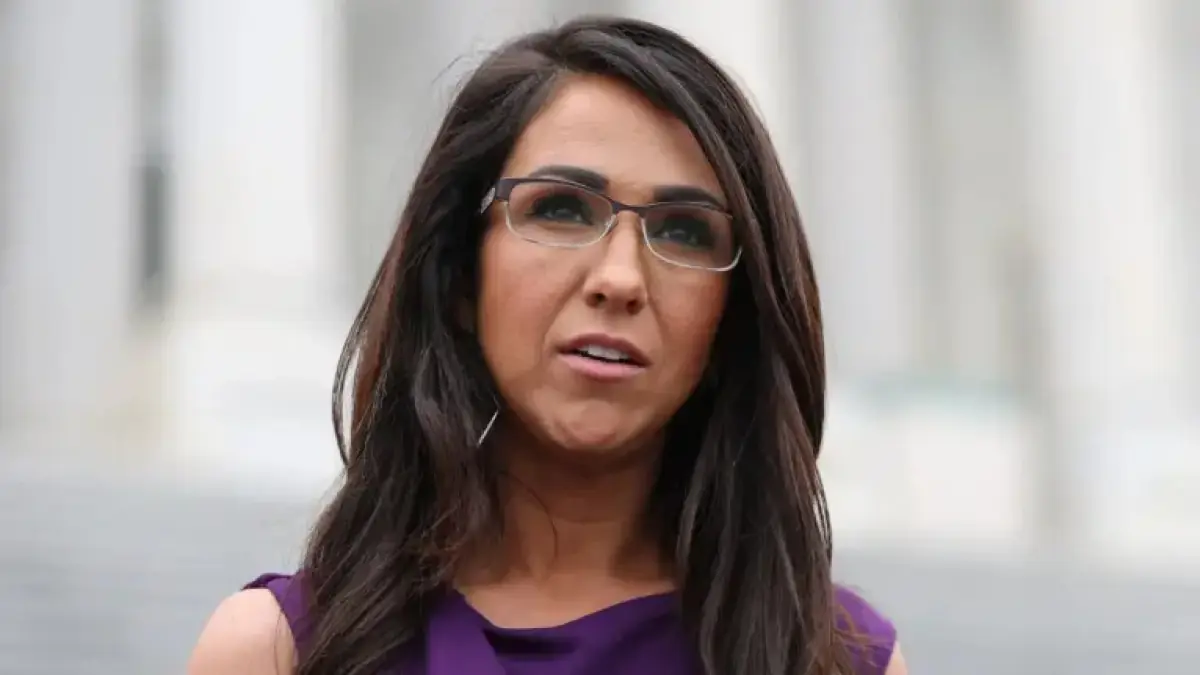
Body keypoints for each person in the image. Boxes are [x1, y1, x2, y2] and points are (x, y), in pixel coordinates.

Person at [187, 15, 906, 675]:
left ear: (731, 317)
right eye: (560, 208)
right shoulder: (278, 652)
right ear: (460, 275)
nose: (620, 279)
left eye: (684, 230)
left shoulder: (834, 661)